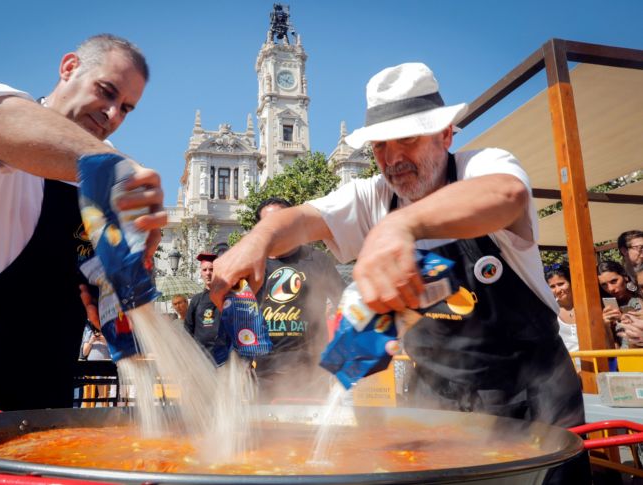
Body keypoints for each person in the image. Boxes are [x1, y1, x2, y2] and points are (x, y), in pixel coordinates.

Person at [212, 62, 588, 483]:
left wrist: (400, 226)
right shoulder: (373, 196)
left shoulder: (483, 165)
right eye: (379, 146)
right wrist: (257, 239)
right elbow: (301, 219)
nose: (392, 159)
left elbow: (506, 195)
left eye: (407, 139)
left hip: (535, 399)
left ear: (445, 134)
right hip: (435, 401)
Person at [0, 34, 166, 484]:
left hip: (48, 412)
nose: (113, 114)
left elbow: (95, 288)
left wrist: (116, 299)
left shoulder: (92, 195)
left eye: (127, 108)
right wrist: (118, 169)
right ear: (68, 68)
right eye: (107, 92)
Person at [251, 197, 345, 399]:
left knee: (308, 428)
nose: (275, 229)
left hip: (310, 372)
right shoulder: (252, 264)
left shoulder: (317, 259)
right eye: (267, 224)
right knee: (267, 428)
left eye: (281, 221)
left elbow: (344, 303)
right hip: (264, 371)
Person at [184, 253, 224, 360]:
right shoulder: (196, 300)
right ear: (201, 273)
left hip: (224, 357)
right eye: (204, 270)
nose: (208, 273)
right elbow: (188, 330)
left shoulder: (227, 298)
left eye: (211, 269)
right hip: (201, 358)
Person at [598, 260, 642, 347]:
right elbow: (611, 350)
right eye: (604, 285)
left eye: (614, 281)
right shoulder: (605, 308)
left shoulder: (639, 300)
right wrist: (606, 326)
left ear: (625, 277)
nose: (610, 289)